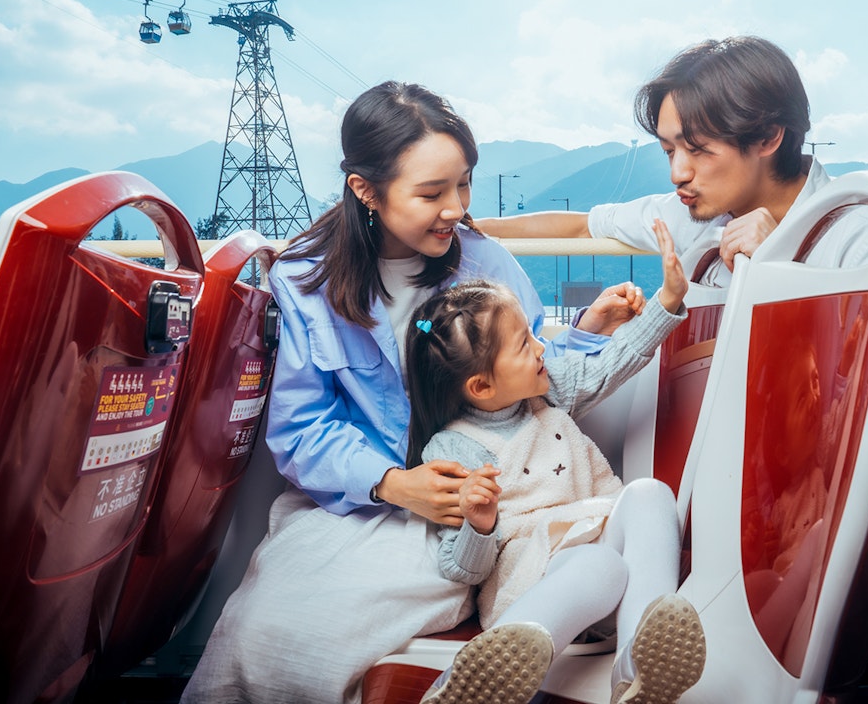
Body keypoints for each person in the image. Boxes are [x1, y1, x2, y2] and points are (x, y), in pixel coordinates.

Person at [478, 36, 868, 703]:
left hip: (860, 494)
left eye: (697, 150)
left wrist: (780, 271)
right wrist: (460, 225)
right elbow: (575, 227)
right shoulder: (691, 215)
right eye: (669, 151)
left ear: (768, 136)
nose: (678, 173)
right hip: (730, 493)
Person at [181, 81, 635, 704]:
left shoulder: (487, 263)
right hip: (350, 503)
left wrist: (587, 332)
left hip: (465, 510)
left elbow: (530, 376)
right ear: (365, 190)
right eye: (431, 193)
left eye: (464, 184)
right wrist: (393, 484)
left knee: (331, 634)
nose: (456, 208)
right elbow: (301, 428)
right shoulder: (304, 279)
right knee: (260, 635)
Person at [407, 219, 705, 704]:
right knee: (599, 565)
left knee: (651, 494)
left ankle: (637, 672)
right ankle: (479, 674)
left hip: (602, 555)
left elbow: (615, 360)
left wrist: (667, 299)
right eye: (525, 345)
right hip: (534, 582)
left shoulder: (549, 391)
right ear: (481, 386)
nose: (542, 347)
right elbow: (461, 570)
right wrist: (479, 526)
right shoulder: (454, 449)